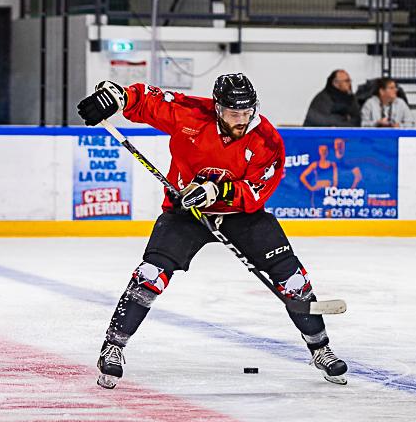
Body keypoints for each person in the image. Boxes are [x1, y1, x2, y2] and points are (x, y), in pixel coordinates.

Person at [76, 74, 349, 387]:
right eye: (234, 113)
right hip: (186, 214)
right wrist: (116, 96)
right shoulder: (193, 114)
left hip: (241, 215)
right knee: (151, 274)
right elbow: (149, 101)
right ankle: (113, 346)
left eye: (247, 113)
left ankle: (321, 348)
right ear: (219, 108)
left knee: (293, 280)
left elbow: (257, 191)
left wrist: (216, 192)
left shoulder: (267, 139)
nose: (242, 120)